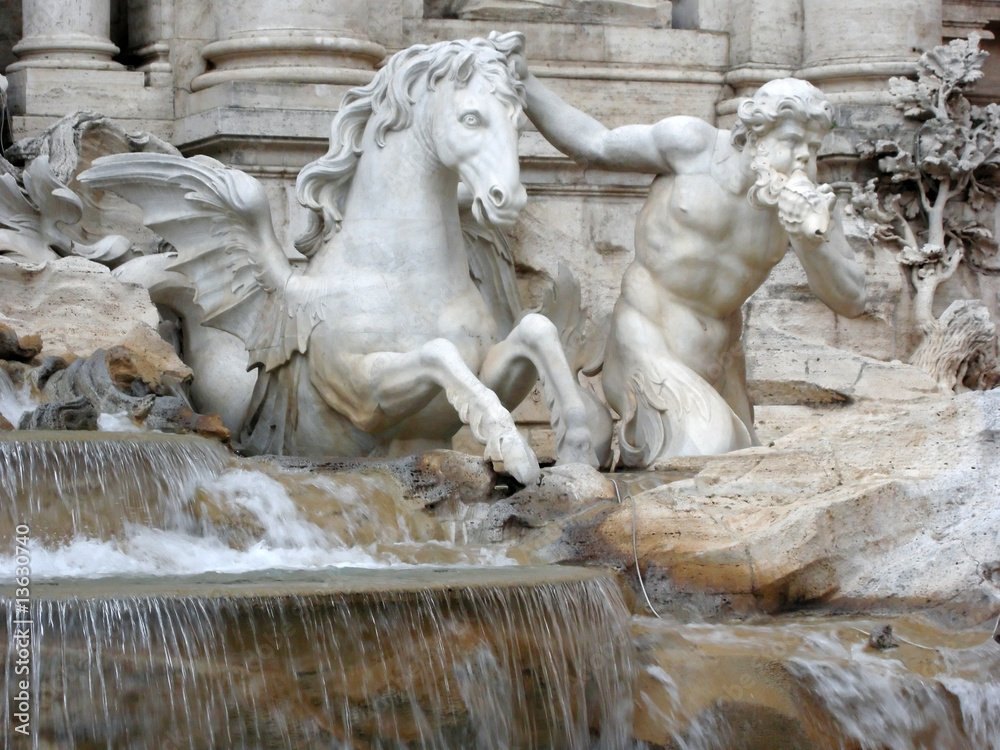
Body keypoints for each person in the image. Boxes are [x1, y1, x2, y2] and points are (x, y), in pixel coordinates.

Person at [514, 66, 867, 466]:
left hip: (720, 364)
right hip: (645, 340)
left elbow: (853, 299)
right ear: (752, 135)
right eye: (791, 141)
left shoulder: (812, 205)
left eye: (814, 146)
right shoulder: (692, 147)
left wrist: (810, 240)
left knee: (740, 475)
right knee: (710, 454)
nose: (805, 157)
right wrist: (525, 82)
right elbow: (593, 143)